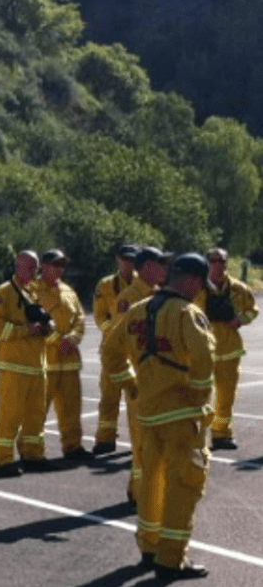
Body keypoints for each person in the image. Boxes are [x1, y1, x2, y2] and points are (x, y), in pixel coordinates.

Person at [100, 253, 215, 580]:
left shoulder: (137, 310)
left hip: (148, 416)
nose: (199, 291)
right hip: (181, 417)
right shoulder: (187, 314)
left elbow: (109, 351)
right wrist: (198, 395)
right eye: (199, 285)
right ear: (192, 280)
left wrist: (129, 383)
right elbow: (204, 359)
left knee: (151, 482)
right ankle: (171, 559)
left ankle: (149, 548)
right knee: (184, 485)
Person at [0, 250, 52, 476]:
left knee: (36, 415)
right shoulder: (4, 292)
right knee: (10, 415)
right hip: (14, 366)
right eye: (30, 267)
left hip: (36, 365)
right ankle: (2, 460)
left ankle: (34, 454)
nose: (34, 271)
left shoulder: (33, 292)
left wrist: (46, 328)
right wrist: (26, 330)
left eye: (36, 267)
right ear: (18, 266)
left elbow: (41, 322)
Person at [93, 246, 165, 456]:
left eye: (132, 259)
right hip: (114, 349)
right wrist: (111, 335)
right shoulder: (108, 285)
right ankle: (105, 440)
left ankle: (141, 445)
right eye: (125, 258)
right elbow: (101, 316)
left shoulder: (146, 285)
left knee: (136, 401)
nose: (128, 263)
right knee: (109, 396)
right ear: (118, 259)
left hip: (133, 352)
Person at [193, 247, 257, 450]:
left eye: (222, 261)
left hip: (230, 351)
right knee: (199, 396)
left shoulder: (238, 288)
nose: (218, 265)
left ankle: (222, 435)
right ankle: (195, 436)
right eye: (214, 261)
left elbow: (252, 309)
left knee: (226, 397)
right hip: (204, 350)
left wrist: (240, 320)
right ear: (207, 263)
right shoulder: (197, 288)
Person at [33, 249, 92, 461]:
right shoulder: (33, 289)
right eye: (55, 265)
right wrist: (59, 341)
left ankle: (73, 447)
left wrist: (73, 339)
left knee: (72, 410)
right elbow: (32, 322)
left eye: (62, 265)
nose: (59, 269)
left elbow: (80, 320)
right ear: (43, 266)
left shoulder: (69, 291)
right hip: (46, 361)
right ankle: (31, 452)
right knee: (37, 411)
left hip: (69, 363)